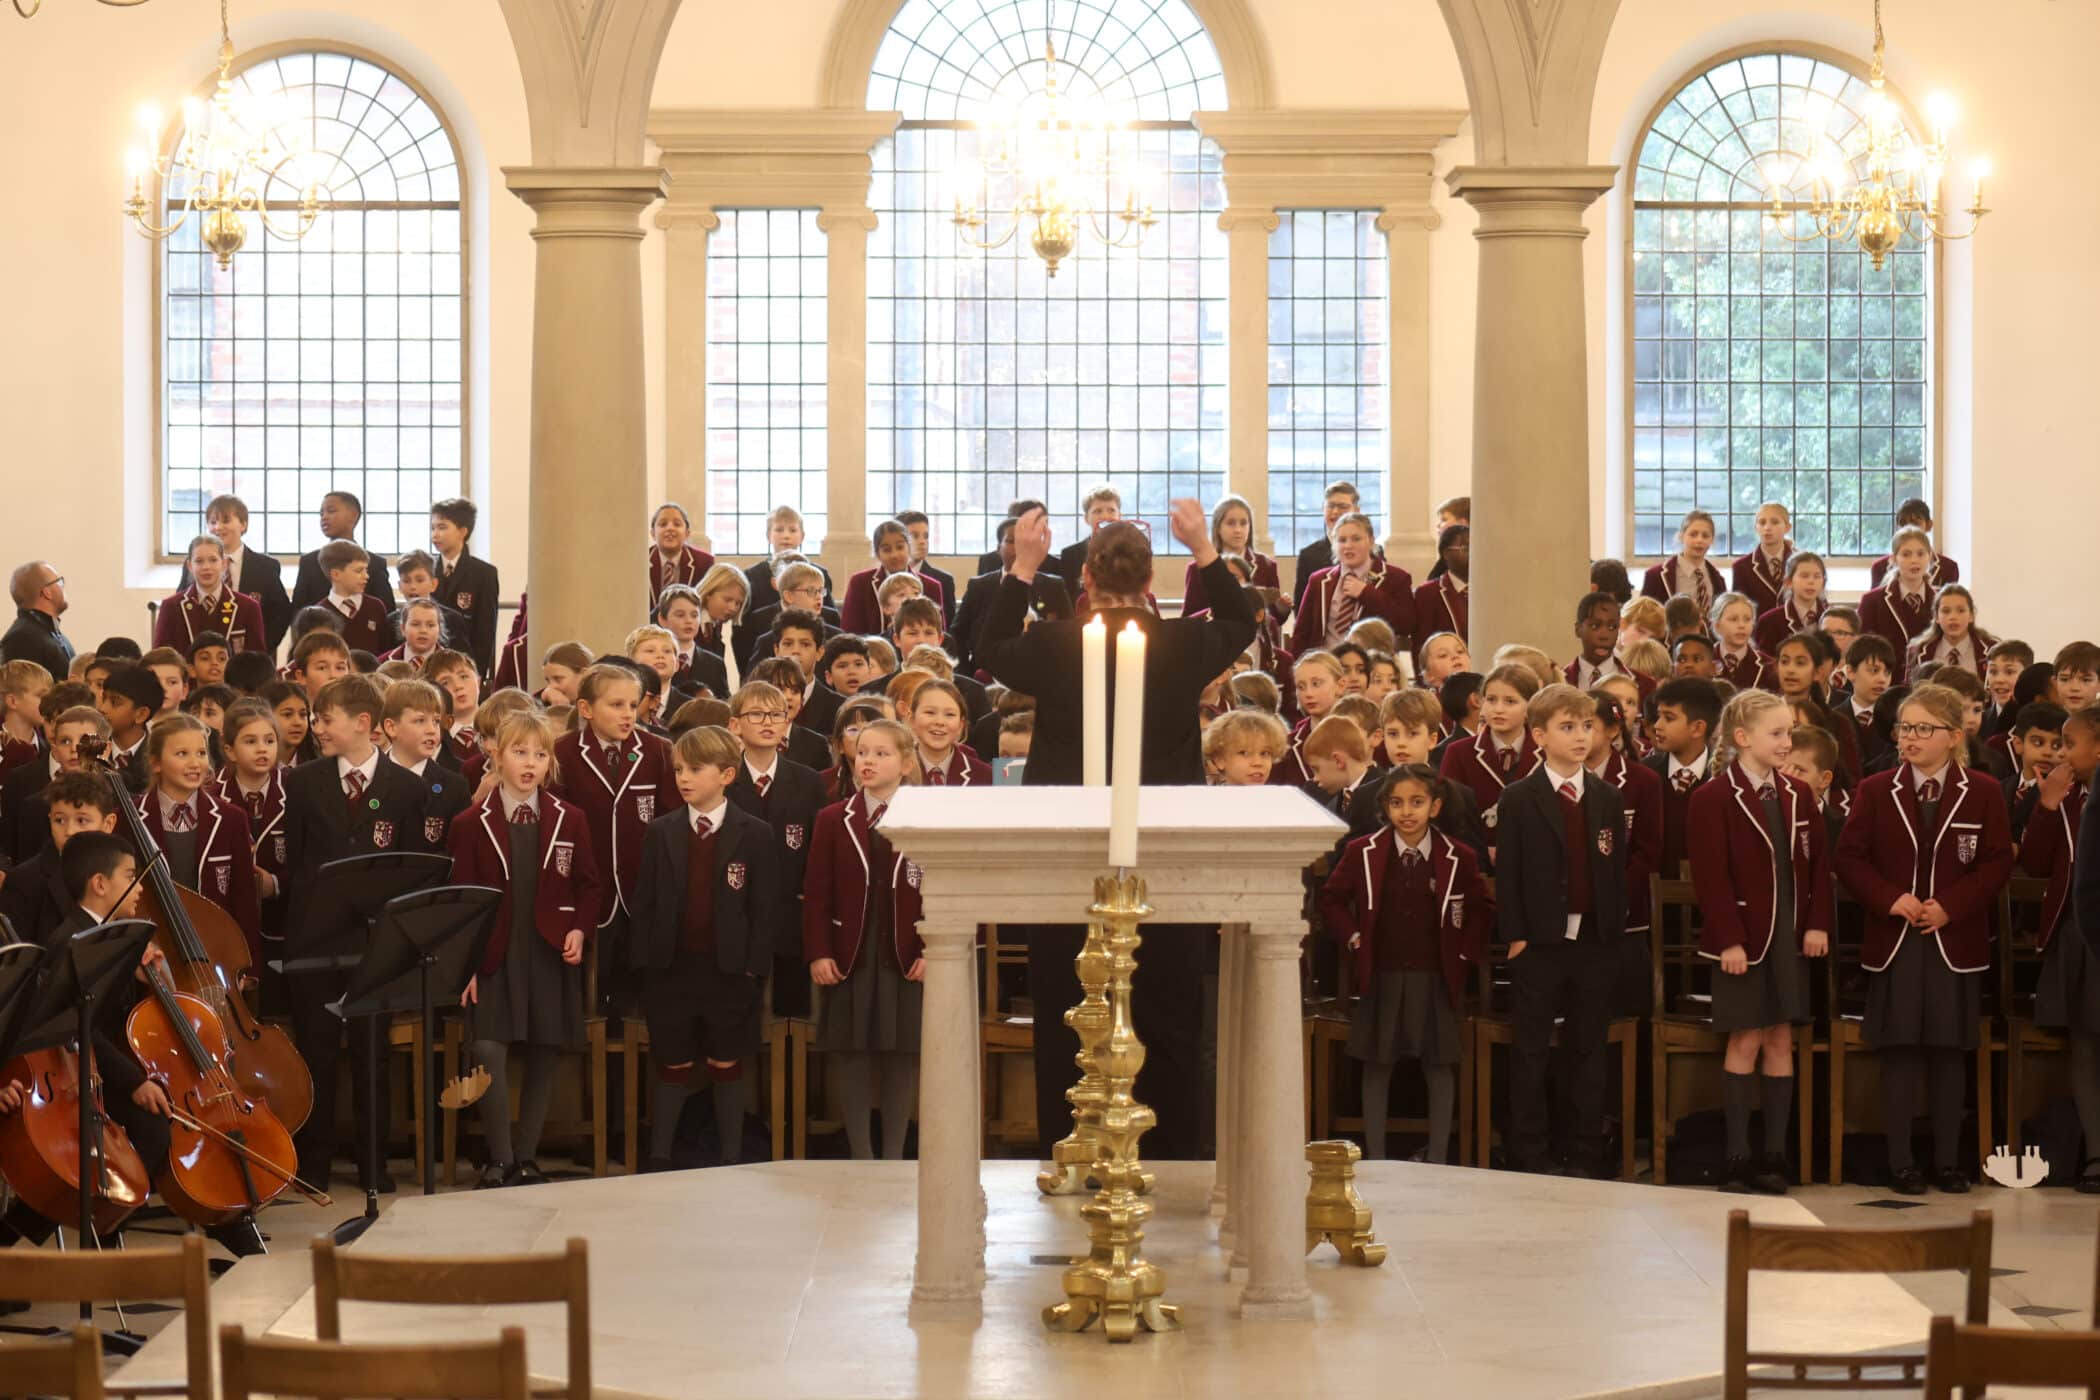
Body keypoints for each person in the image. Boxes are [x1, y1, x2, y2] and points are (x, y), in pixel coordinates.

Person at [977, 498, 1252, 1161]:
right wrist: (1204, 551)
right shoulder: (1182, 643)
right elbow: (1242, 621)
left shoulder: (1054, 643)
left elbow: (986, 646)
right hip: (1162, 847)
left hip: (1069, 846)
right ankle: (1171, 1153)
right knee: (1168, 1009)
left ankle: (1070, 1147)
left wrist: (1022, 567)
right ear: (1152, 580)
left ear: (1086, 579)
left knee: (1067, 1007)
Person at [1835, 682, 2013, 1194]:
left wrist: (1951, 906)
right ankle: (1900, 1162)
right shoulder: (1876, 789)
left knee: (1948, 1051)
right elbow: (1849, 857)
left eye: (1923, 729)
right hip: (1897, 939)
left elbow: (1996, 861)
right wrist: (1891, 897)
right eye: (1904, 727)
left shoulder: (1983, 790)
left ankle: (1948, 1161)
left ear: (1953, 736)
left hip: (1954, 940)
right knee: (1899, 1050)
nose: (1909, 737)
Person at [281, 674, 436, 1191]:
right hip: (315, 942)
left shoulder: (406, 788)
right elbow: (298, 864)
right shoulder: (304, 782)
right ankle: (315, 1165)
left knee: (374, 1056)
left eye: (326, 719)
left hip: (375, 944)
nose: (317, 728)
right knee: (317, 1054)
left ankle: (374, 1163)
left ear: (363, 723)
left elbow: (412, 868)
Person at [1688, 689, 1834, 1195]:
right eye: (1776, 733)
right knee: (1745, 1039)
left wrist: (1816, 924)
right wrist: (1729, 940)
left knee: (1779, 1038)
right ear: (1742, 738)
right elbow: (1711, 878)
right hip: (1744, 941)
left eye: (1788, 731)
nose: (1786, 741)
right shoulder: (1712, 798)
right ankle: (1736, 1154)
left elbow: (1818, 867)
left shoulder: (1798, 794)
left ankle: (1774, 1153)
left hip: (1789, 938)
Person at [448, 709, 600, 1187]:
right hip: (494, 954)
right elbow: (461, 900)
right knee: (488, 1049)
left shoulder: (570, 818)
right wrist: (466, 967)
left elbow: (588, 886)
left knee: (543, 1049)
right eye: (519, 752)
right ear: (496, 756)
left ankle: (528, 1158)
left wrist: (580, 929)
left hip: (547, 951)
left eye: (540, 754)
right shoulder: (470, 823)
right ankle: (500, 1158)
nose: (530, 763)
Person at [1318, 764, 1486, 1163]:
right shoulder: (1362, 851)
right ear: (1385, 807)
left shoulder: (1458, 856)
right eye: (1396, 803)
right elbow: (1331, 899)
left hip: (1436, 975)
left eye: (1416, 802)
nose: (1406, 812)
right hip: (1382, 974)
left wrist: (1464, 953)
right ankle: (1376, 1157)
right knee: (1377, 1063)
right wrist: (1354, 937)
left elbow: (1480, 910)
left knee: (1439, 1064)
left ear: (1435, 806)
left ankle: (1438, 1159)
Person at [1496, 684, 1630, 1177]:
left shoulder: (1607, 797)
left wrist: (1612, 931)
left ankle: (1585, 1150)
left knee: (1588, 1047)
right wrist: (1516, 935)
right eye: (1567, 727)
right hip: (1538, 941)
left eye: (1587, 726)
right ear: (1539, 736)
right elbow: (1508, 872)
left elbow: (1614, 868)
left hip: (1594, 940)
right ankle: (1530, 1151)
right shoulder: (1519, 798)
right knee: (1531, 1049)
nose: (1580, 736)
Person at [630, 724, 776, 1171]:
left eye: (695, 769)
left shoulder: (755, 833)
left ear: (726, 775)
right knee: (672, 1061)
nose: (684, 778)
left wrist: (752, 969)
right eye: (679, 770)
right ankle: (660, 1155)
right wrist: (647, 967)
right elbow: (645, 902)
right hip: (672, 970)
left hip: (728, 972)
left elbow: (764, 908)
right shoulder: (662, 831)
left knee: (724, 1060)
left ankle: (732, 1156)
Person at [802, 717, 925, 1160]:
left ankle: (892, 1155)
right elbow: (816, 894)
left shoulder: (926, 819)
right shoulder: (833, 819)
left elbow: (944, 891)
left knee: (901, 1054)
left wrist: (932, 950)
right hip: (851, 954)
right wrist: (819, 952)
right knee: (851, 1052)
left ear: (906, 764)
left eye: (881, 753)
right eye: (862, 752)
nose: (867, 761)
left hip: (904, 955)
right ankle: (861, 1155)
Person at [549, 663, 674, 1020]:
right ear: (586, 709)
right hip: (589, 890)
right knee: (588, 989)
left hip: (641, 891)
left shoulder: (658, 750)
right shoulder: (563, 753)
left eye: (633, 705)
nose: (627, 714)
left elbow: (670, 822)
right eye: (616, 705)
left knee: (635, 993)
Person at [724, 679, 826, 1019]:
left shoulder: (808, 781)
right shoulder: (723, 778)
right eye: (756, 714)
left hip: (789, 914)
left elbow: (817, 849)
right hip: (736, 913)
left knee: (791, 1010)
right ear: (735, 724)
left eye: (776, 714)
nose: (767, 722)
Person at [133, 713, 262, 963]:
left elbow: (244, 899)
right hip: (155, 952)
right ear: (156, 763)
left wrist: (250, 966)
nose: (195, 763)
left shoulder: (232, 818)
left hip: (216, 950)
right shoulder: (130, 818)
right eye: (182, 754)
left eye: (201, 753)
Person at [1438, 662, 1539, 849]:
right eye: (1491, 700)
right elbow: (1450, 815)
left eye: (1510, 701)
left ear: (1530, 707)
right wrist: (1482, 852)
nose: (1498, 709)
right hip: (1476, 857)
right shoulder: (1458, 753)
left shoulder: (1548, 753)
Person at [1289, 512, 1414, 656]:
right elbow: (1301, 633)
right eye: (1342, 540)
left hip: (1372, 662)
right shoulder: (1318, 580)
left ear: (1371, 541)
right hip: (1327, 661)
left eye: (1356, 539)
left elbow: (1406, 625)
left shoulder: (1396, 578)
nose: (1348, 546)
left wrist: (1366, 594)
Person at [180, 495, 293, 648]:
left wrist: (261, 647)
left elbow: (280, 613)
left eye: (226, 521)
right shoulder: (194, 565)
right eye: (213, 522)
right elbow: (181, 605)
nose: (218, 527)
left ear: (243, 524)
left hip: (248, 653)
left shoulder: (265, 567)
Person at [156, 535, 269, 657]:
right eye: (199, 561)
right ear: (189, 566)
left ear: (224, 563)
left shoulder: (248, 607)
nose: (206, 567)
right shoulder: (171, 607)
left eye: (213, 560)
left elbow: (257, 660)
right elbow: (161, 658)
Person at [428, 498, 502, 677]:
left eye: (442, 527)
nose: (435, 535)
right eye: (433, 528)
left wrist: (476, 673)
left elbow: (485, 632)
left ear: (462, 531)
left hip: (463, 664)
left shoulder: (484, 573)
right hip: (429, 664)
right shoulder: (427, 569)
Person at [1182, 494, 1283, 622]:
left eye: (1243, 523)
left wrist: (1282, 609)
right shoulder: (1197, 569)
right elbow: (1188, 620)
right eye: (1231, 523)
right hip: (1216, 633)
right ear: (1217, 528)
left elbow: (1276, 620)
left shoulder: (1267, 566)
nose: (1238, 530)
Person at [291, 491, 396, 614]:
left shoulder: (375, 563)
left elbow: (387, 611)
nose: (324, 517)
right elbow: (298, 611)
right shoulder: (309, 562)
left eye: (331, 511)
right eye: (321, 513)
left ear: (353, 516)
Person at [841, 519, 943, 636]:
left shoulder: (931, 586)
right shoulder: (860, 583)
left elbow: (939, 633)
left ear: (909, 548)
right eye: (886, 550)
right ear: (878, 554)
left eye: (900, 547)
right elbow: (850, 634)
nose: (894, 555)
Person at [1858, 526, 1939, 653]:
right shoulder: (1872, 601)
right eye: (1906, 554)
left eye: (1920, 554)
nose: (1914, 560)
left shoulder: (1941, 599)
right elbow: (1863, 649)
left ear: (1929, 556)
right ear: (1894, 559)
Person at [314, 541, 397, 655]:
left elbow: (386, 649)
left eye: (366, 570)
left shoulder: (376, 607)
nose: (366, 576)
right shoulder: (319, 615)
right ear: (336, 574)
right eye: (359, 571)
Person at [1292, 480, 1361, 615]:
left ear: (1356, 511)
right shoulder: (1308, 556)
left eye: (1342, 506)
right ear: (1323, 509)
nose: (1335, 512)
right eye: (1330, 506)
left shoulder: (1372, 552)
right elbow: (1301, 609)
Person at [1903, 584, 1995, 683]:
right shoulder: (1917, 650)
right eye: (1946, 611)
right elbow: (1909, 690)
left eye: (1961, 611)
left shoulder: (1991, 649)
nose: (1953, 617)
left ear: (1971, 615)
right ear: (1936, 617)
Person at [1640, 509, 1726, 612]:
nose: (1699, 540)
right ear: (1681, 536)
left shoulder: (1718, 579)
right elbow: (1643, 617)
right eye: (1693, 534)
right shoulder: (1655, 576)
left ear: (1711, 540)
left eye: (1705, 536)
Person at [1868, 497, 1961, 591]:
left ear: (1929, 525)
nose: (1909, 528)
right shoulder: (1880, 567)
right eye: (1903, 523)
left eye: (1916, 523)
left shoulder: (1948, 567)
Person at [3, 560, 73, 680]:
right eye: (59, 582)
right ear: (47, 592)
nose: (63, 587)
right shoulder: (22, 638)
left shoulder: (46, 632)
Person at [1754, 552, 1828, 656]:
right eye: (1804, 576)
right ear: (1788, 582)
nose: (1811, 581)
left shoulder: (1831, 619)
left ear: (1823, 583)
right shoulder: (1770, 621)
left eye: (1817, 576)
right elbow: (1765, 661)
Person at [891, 510, 955, 628]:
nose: (922, 542)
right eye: (914, 536)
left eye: (926, 536)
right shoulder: (886, 578)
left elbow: (947, 629)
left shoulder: (943, 580)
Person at [1729, 501, 1795, 615]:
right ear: (1756, 527)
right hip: (1758, 626)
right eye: (1762, 522)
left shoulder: (1801, 563)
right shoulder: (1741, 567)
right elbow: (1738, 609)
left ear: (1787, 527)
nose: (1767, 528)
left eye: (1775, 522)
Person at [647, 501, 716, 605]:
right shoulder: (641, 562)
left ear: (687, 533)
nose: (670, 528)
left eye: (677, 524)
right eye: (663, 524)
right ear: (652, 533)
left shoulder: (705, 562)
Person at [1412, 524, 1469, 647]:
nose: (1473, 554)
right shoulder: (1428, 593)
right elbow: (1422, 645)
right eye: (1466, 548)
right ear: (1446, 553)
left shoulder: (1488, 590)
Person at [1057, 484, 1125, 584]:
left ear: (1119, 516)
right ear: (1086, 518)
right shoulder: (1070, 555)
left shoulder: (1131, 552)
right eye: (1098, 511)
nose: (1105, 516)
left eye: (1111, 510)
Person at [1710, 593, 1775, 693]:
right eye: (1733, 619)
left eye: (1747, 619)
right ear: (1717, 626)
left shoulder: (1769, 666)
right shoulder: (1704, 660)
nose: (1741, 625)